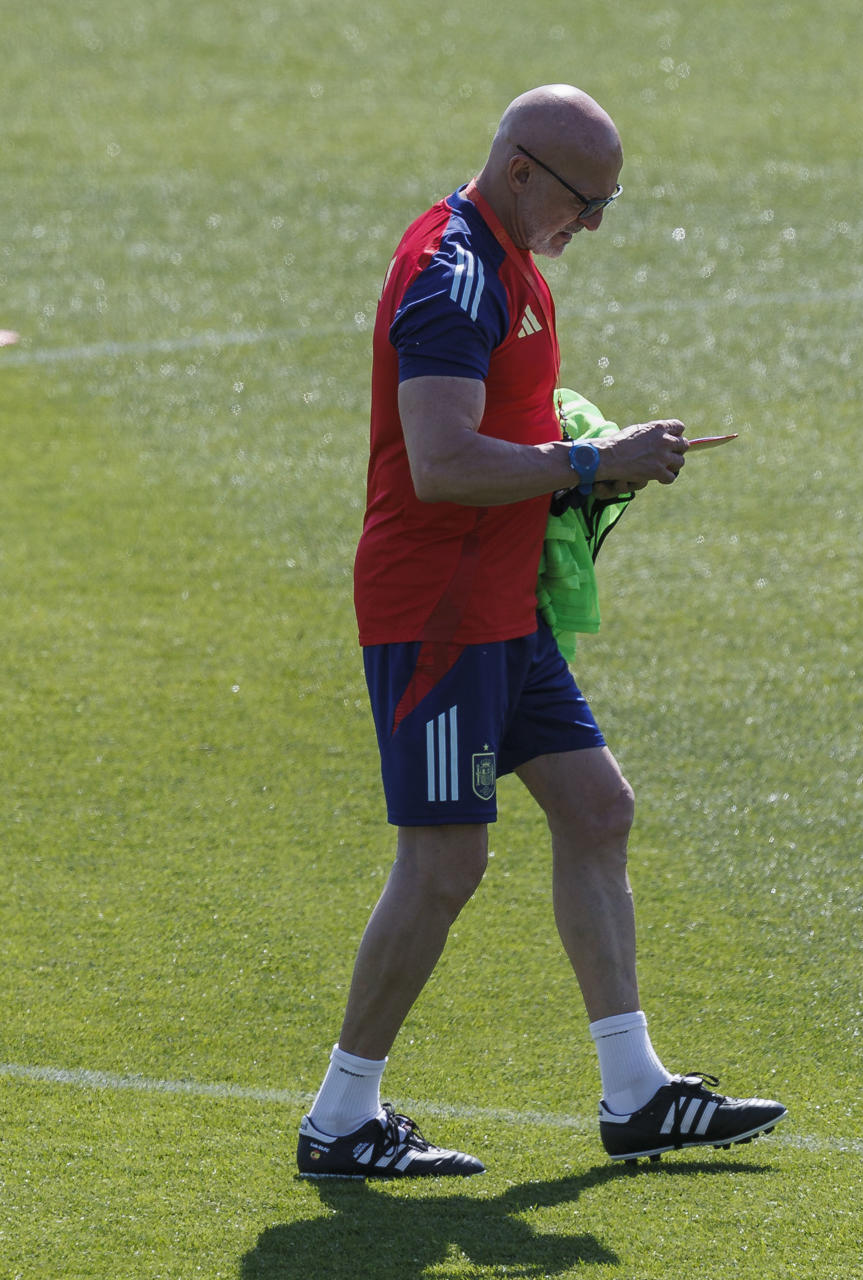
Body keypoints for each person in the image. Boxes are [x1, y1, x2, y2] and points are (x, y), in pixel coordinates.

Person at [295, 84, 786, 1180]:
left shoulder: (509, 261)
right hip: (438, 616)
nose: (595, 227)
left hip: (502, 605)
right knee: (444, 863)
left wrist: (583, 457)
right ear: (522, 169)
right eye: (586, 202)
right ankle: (339, 1119)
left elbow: (501, 433)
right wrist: (587, 464)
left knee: (597, 806)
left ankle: (635, 1091)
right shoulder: (451, 275)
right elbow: (441, 460)